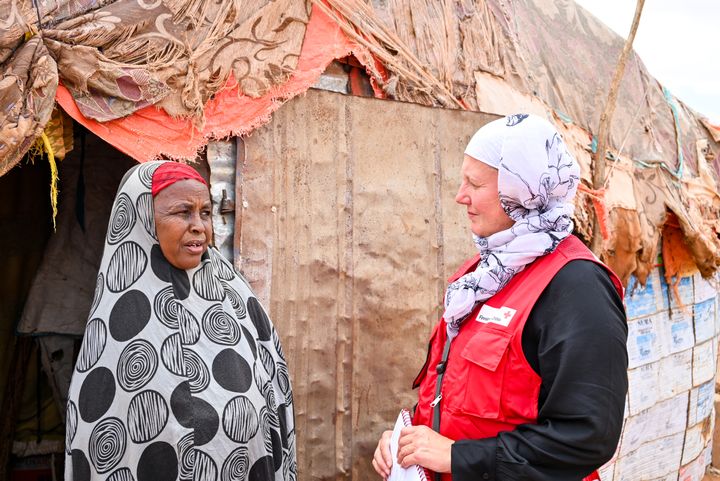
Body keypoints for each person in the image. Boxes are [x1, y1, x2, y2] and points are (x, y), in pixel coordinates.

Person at [372, 114, 628, 481]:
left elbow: (586, 437)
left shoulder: (577, 287)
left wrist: (459, 456)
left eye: (474, 183)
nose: (461, 196)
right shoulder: (484, 274)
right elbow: (463, 394)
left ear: (519, 189)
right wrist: (407, 442)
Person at [65, 161, 296, 481]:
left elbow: (274, 387)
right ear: (144, 219)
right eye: (182, 212)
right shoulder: (119, 323)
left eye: (205, 212)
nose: (199, 225)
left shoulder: (235, 296)